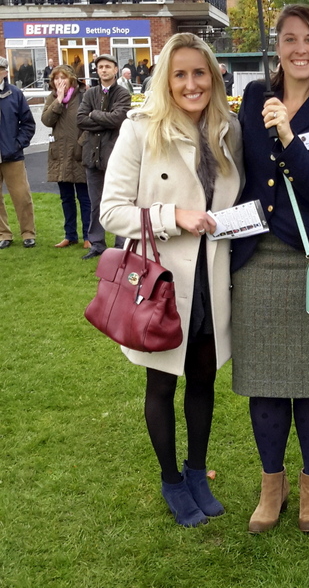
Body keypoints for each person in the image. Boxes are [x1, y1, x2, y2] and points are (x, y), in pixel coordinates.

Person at [100, 33, 243, 527]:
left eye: (199, 73)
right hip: (162, 280)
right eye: (179, 74)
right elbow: (112, 211)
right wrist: (172, 216)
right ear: (165, 78)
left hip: (213, 275)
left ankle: (197, 470)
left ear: (214, 77)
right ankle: (171, 480)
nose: (190, 83)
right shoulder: (140, 129)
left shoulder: (229, 129)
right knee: (161, 383)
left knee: (203, 377)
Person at [230, 5, 309, 534]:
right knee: (265, 383)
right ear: (276, 45)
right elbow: (242, 170)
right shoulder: (257, 96)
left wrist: (286, 136)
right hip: (257, 259)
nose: (299, 49)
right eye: (288, 38)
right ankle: (270, 487)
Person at [77, 54, 131, 259]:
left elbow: (119, 119)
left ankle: (120, 245)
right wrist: (102, 119)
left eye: (108, 66)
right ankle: (97, 244)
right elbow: (81, 120)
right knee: (95, 202)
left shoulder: (122, 94)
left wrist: (94, 115)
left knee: (119, 200)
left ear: (115, 70)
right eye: (100, 67)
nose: (104, 70)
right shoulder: (90, 94)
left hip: (115, 156)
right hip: (92, 155)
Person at [41, 65, 91, 248]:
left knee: (84, 198)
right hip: (59, 154)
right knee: (66, 198)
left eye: (63, 78)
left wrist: (81, 144)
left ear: (71, 79)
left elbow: (91, 123)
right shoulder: (52, 98)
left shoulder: (84, 96)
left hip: (78, 153)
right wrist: (59, 101)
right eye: (56, 78)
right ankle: (70, 235)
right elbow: (47, 121)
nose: (59, 81)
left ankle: (88, 236)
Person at [0, 56, 36, 249]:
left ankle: (28, 233)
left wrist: (17, 145)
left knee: (22, 196)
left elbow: (28, 124)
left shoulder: (15, 94)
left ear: (5, 72)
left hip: (11, 155)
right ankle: (4, 234)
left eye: (0, 69)